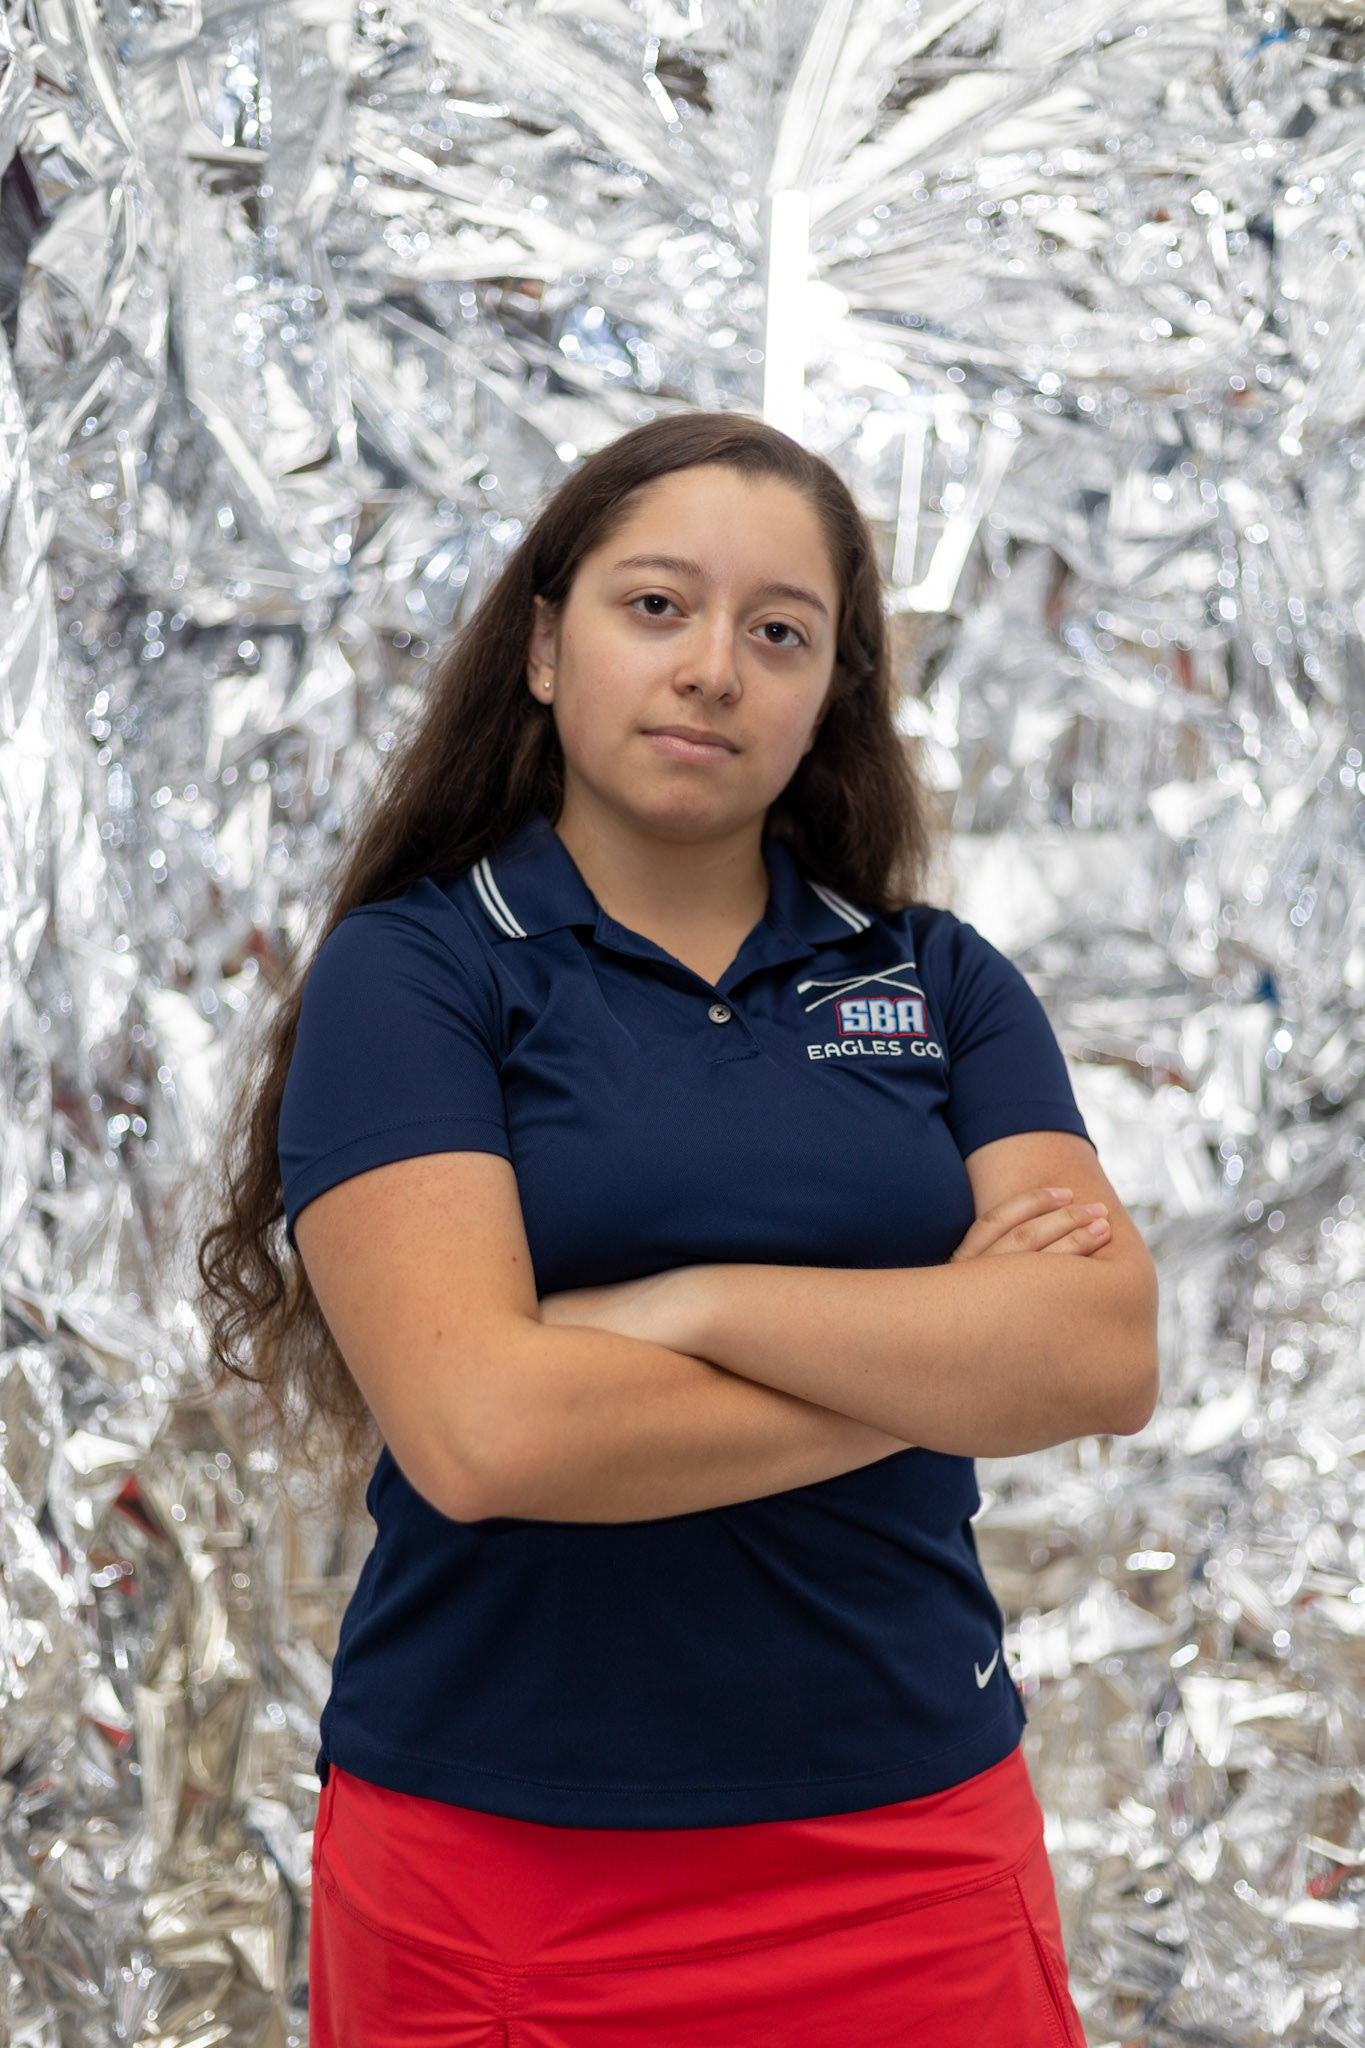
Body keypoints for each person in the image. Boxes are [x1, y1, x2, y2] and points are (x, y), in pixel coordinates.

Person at [198, 410, 1159, 2047]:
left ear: (828, 695)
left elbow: (1099, 1353)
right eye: (655, 607)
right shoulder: (415, 973)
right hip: (504, 1871)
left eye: (778, 633)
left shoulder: (937, 980)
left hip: (906, 1854)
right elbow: (485, 1435)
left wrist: (688, 1305)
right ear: (543, 649)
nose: (713, 669)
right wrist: (939, 1363)